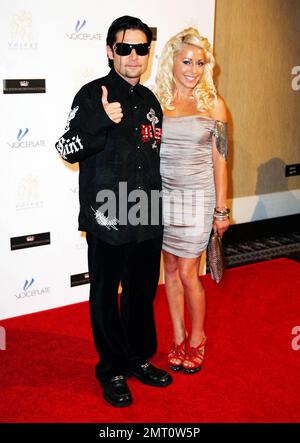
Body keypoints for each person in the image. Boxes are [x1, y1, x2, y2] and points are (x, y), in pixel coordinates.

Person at [55, 16, 172, 407]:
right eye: (125, 48)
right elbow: (66, 149)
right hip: (107, 213)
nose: (134, 56)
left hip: (146, 212)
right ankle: (112, 369)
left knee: (140, 294)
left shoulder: (151, 100)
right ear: (110, 51)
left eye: (141, 48)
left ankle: (137, 358)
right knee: (106, 295)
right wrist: (100, 122)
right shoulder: (92, 95)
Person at [155, 28, 230, 374]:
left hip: (198, 199)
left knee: (188, 272)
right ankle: (178, 335)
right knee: (169, 269)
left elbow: (221, 159)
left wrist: (222, 209)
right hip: (165, 198)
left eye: (200, 63)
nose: (193, 69)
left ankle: (198, 338)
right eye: (186, 61)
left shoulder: (214, 105)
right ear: (172, 61)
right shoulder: (157, 103)